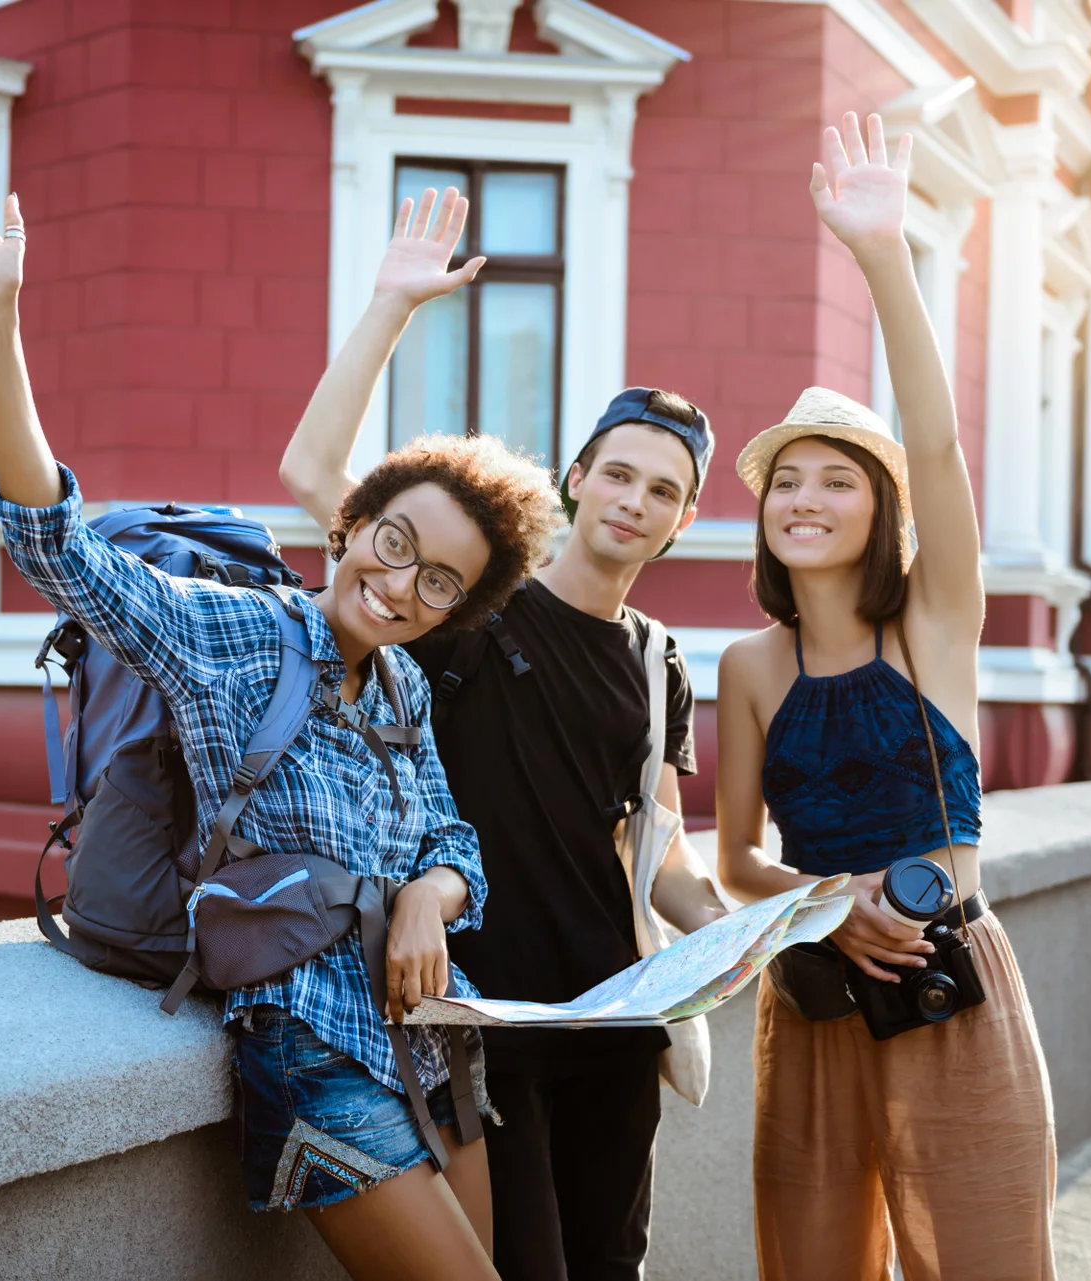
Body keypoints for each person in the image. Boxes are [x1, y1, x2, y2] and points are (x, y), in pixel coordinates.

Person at [0, 165, 564, 1280]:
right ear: (352, 525)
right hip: (314, 1051)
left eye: (440, 582)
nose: (401, 586)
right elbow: (63, 554)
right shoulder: (243, 639)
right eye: (394, 543)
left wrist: (429, 899)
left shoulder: (403, 689)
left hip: (433, 1040)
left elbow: (454, 841)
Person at [280, 186, 730, 1281]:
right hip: (484, 1022)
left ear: (682, 520)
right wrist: (391, 306)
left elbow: (656, 838)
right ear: (577, 479)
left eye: (661, 489)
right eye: (616, 473)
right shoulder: (477, 600)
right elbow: (311, 475)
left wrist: (726, 929)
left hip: (617, 1023)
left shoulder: (660, 657)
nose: (632, 499)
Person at [712, 114, 1057, 1280]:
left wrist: (881, 255)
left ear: (880, 508)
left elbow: (941, 450)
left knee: (984, 1259)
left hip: (949, 990)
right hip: (811, 1001)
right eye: (786, 481)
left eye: (836, 479)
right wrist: (826, 905)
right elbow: (735, 861)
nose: (805, 498)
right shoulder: (749, 667)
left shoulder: (932, 629)